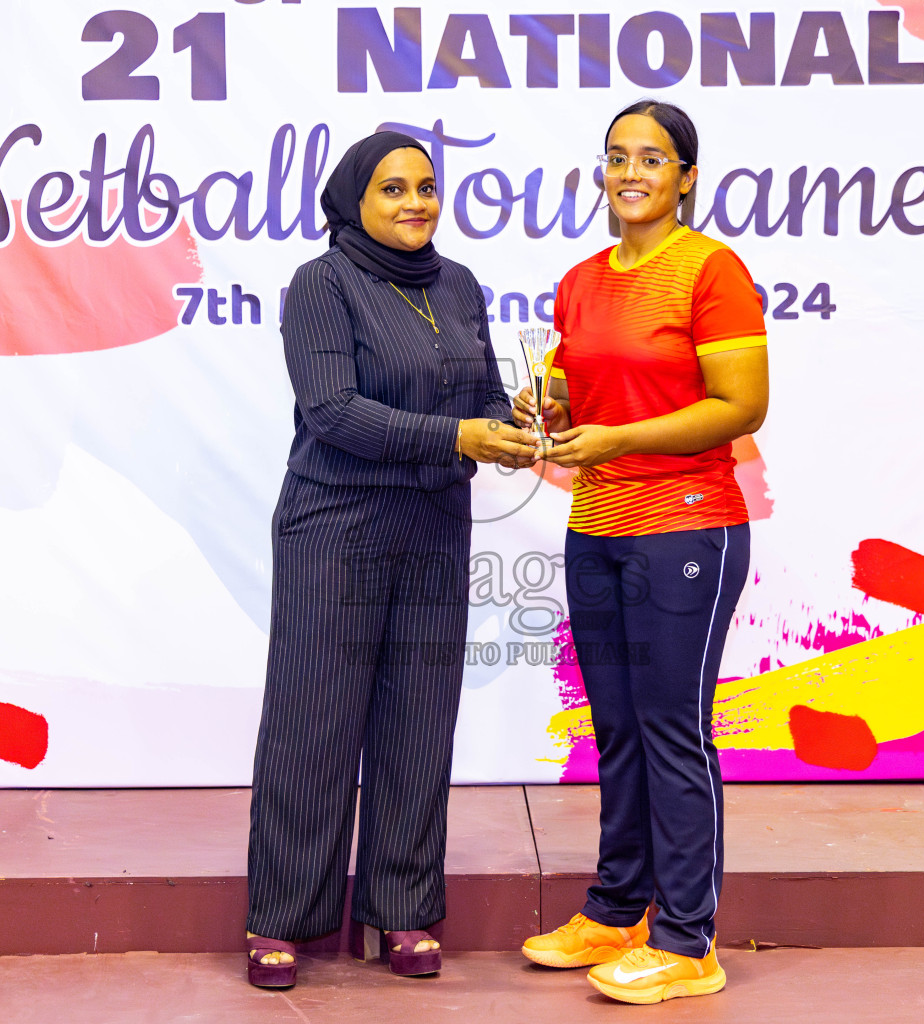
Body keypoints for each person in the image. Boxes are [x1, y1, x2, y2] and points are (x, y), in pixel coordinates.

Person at [246, 131, 537, 988]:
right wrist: (460, 434)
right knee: (314, 725)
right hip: (335, 526)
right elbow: (334, 411)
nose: (416, 202)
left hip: (433, 527)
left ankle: (400, 911)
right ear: (355, 201)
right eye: (393, 188)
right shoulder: (322, 285)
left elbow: (479, 394)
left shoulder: (456, 286)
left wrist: (512, 417)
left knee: (417, 723)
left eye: (427, 186)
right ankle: (281, 919)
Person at [515, 100, 770, 1004]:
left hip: (688, 527)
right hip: (599, 529)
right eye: (617, 156)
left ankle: (688, 940)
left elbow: (741, 407)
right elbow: (573, 385)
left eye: (653, 158)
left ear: (686, 177)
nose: (632, 172)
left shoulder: (710, 270)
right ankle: (618, 909)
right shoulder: (582, 279)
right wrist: (547, 411)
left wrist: (619, 441)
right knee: (615, 730)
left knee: (672, 732)